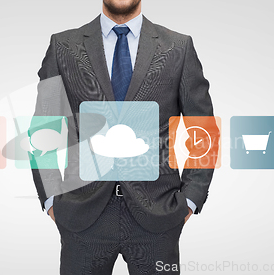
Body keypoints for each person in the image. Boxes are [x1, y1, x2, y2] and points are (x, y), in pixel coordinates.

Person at [33, 0, 216, 274]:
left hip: (157, 218)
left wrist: (190, 199)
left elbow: (203, 129)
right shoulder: (63, 46)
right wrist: (51, 200)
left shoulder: (178, 47)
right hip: (82, 219)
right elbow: (43, 129)